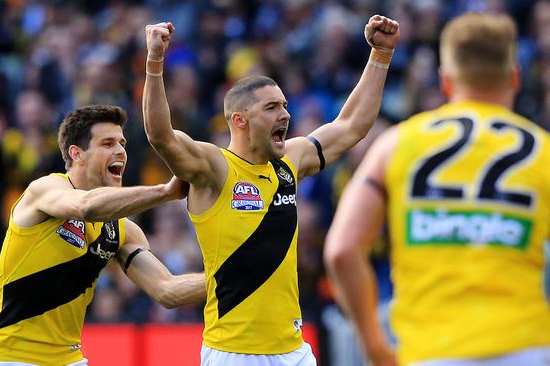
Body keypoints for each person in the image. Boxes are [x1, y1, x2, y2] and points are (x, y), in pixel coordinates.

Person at [143, 15, 399, 365]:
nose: (285, 115)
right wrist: (155, 63)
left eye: (285, 106)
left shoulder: (289, 161)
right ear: (239, 120)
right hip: (234, 352)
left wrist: (380, 55)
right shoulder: (215, 168)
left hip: (293, 350)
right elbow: (161, 136)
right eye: (272, 107)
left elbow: (351, 125)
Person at [324, 12, 550, 366]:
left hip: (430, 350)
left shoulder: (396, 144)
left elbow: (342, 250)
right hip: (527, 347)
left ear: (446, 81)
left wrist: (374, 346)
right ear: (515, 79)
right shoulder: (543, 151)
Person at [0, 105, 206, 365]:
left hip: (69, 359)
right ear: (77, 154)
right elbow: (86, 207)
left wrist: (236, 277)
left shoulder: (122, 230)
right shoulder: (45, 190)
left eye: (122, 143)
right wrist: (164, 193)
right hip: (9, 358)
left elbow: (168, 290)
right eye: (107, 143)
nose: (120, 151)